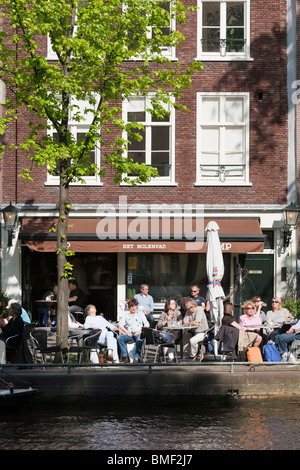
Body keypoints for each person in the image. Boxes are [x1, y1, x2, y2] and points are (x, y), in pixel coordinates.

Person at [117, 297, 149, 363]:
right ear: (128, 307)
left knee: (139, 339)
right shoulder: (126, 314)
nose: (133, 308)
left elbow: (147, 324)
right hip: (130, 333)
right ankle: (125, 356)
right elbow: (120, 325)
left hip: (138, 332)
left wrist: (140, 331)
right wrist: (126, 332)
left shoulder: (140, 314)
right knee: (119, 338)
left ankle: (137, 358)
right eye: (131, 306)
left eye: (135, 306)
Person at [156, 297, 183, 362]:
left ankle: (163, 352)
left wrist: (176, 324)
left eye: (175, 304)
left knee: (171, 335)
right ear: (168, 305)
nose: (175, 305)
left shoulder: (177, 312)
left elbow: (181, 321)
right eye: (173, 304)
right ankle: (171, 358)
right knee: (169, 337)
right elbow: (158, 325)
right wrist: (166, 320)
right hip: (164, 333)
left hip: (175, 332)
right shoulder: (164, 313)